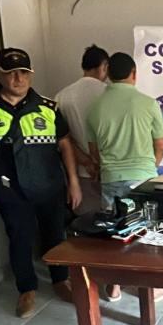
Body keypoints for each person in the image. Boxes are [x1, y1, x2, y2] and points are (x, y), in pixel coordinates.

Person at [0, 48, 82, 318]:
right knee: (19, 239)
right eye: (11, 73)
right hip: (10, 189)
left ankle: (60, 280)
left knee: (56, 235)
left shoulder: (48, 107)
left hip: (49, 185)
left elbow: (65, 144)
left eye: (24, 73)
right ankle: (26, 289)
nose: (18, 79)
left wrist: (74, 181)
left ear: (31, 74)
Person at [86, 52, 163, 302]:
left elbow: (94, 152)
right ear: (134, 74)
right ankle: (151, 289)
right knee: (147, 231)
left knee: (115, 233)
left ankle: (114, 286)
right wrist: (150, 168)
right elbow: (160, 144)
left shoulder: (94, 107)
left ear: (108, 74)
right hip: (143, 177)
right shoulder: (148, 103)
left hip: (111, 177)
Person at [55, 45, 109, 215]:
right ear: (104, 67)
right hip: (111, 171)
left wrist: (86, 162)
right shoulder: (109, 93)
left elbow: (63, 138)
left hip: (81, 172)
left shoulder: (62, 96)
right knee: (115, 221)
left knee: (87, 222)